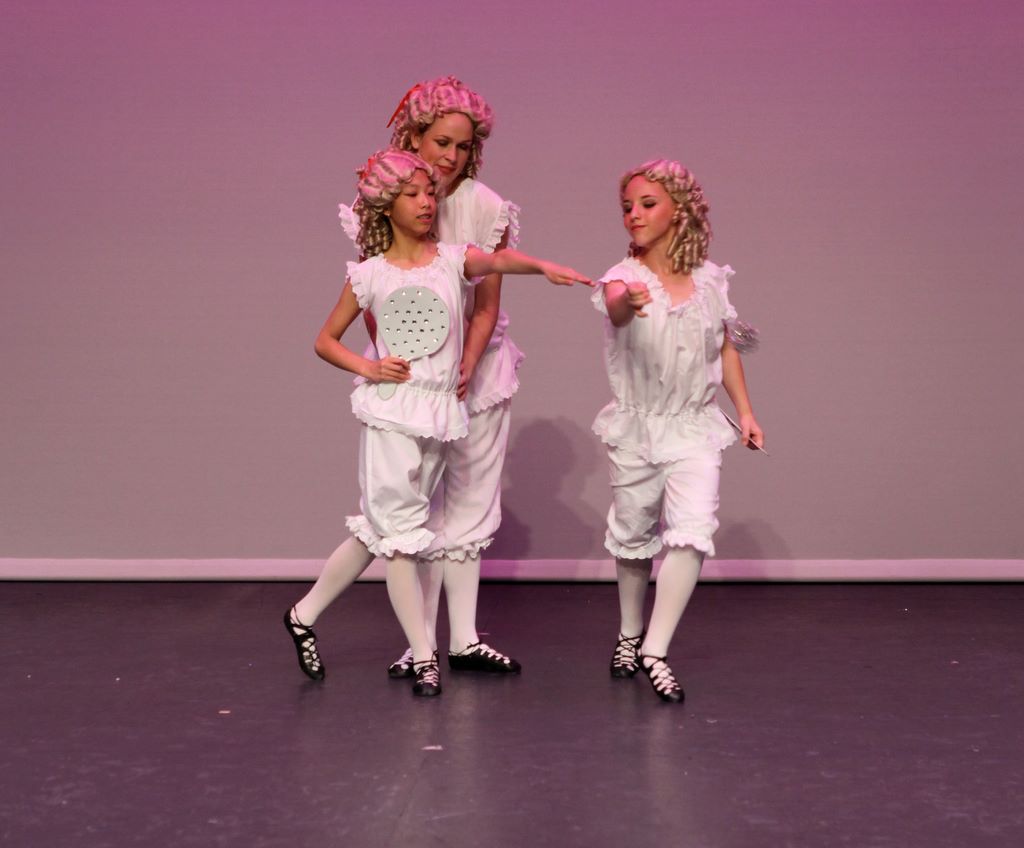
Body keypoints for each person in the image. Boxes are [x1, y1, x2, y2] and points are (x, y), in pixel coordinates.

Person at [284, 147, 588, 696]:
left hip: (439, 414)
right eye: (412, 194)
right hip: (392, 415)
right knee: (400, 539)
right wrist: (369, 367)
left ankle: (302, 615)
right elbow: (325, 340)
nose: (427, 202)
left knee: (380, 532)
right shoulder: (370, 274)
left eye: (430, 193)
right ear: (386, 205)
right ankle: (424, 655)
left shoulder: (450, 258)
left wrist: (543, 268)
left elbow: (497, 262)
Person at [341, 77, 526, 677]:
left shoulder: (486, 206)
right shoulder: (388, 195)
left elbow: (487, 303)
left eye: (463, 146)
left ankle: (464, 638)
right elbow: (377, 300)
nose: (451, 156)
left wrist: (468, 361)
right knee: (411, 509)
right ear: (414, 136)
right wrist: (406, 369)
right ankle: (417, 643)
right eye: (441, 142)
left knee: (470, 502)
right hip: (413, 379)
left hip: (477, 369)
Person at [591, 159, 764, 703]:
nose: (634, 215)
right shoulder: (622, 277)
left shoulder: (710, 281)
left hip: (693, 426)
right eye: (628, 207)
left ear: (680, 209)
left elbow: (725, 348)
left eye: (648, 204)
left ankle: (655, 649)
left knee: (693, 530)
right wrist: (627, 300)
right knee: (633, 535)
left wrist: (746, 412)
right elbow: (616, 307)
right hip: (639, 427)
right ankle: (629, 631)